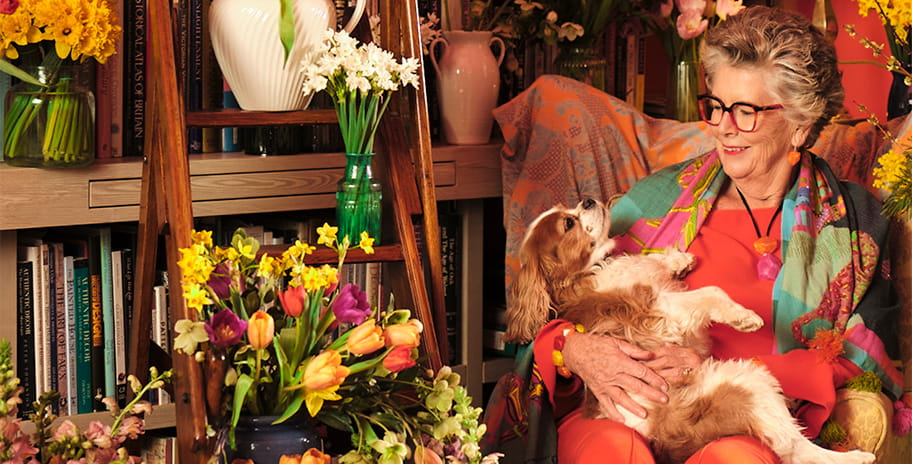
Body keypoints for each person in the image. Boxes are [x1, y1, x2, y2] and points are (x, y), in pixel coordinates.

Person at [531, 6, 904, 463]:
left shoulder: (854, 223)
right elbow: (558, 299)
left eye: (746, 111)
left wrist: (724, 371)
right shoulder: (656, 202)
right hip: (625, 411)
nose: (724, 128)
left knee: (736, 457)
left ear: (800, 124)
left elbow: (863, 356)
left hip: (739, 414)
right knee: (614, 448)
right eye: (717, 106)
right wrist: (574, 349)